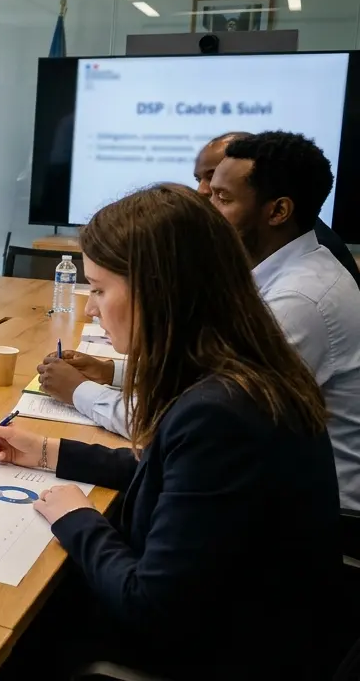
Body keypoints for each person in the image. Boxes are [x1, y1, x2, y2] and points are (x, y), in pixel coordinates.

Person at [0, 183, 337, 679]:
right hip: (254, 626)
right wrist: (47, 450)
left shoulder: (223, 412)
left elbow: (151, 608)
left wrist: (77, 518)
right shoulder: (240, 372)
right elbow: (172, 473)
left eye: (101, 289)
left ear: (158, 290)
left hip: (216, 656)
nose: (90, 308)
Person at [42, 131, 360, 510]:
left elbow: (185, 426)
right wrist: (113, 372)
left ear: (278, 212)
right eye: (204, 191)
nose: (204, 208)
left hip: (305, 514)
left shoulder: (298, 301)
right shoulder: (278, 274)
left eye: (221, 198)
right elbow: (205, 378)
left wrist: (80, 392)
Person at [194, 130, 360, 287]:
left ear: (279, 211)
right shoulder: (284, 249)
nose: (201, 191)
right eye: (198, 179)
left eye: (223, 197)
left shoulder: (295, 297)